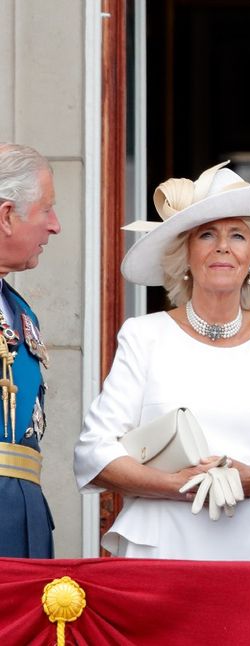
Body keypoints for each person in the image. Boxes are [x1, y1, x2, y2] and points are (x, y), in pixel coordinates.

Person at [75, 162, 250, 559]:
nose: (223, 246)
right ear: (185, 254)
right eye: (207, 234)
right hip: (164, 547)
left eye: (237, 235)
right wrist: (179, 484)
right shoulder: (144, 335)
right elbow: (94, 455)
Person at [0, 143, 61, 558]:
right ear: (7, 216)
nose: (55, 226)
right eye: (46, 209)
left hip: (20, 520)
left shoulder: (20, 311)